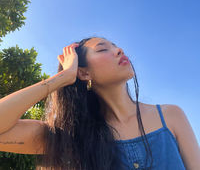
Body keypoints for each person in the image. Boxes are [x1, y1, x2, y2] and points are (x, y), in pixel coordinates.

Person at [0, 36, 199, 170]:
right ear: (84, 72)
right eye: (103, 49)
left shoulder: (171, 116)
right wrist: (62, 78)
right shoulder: (70, 135)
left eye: (116, 46)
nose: (119, 50)